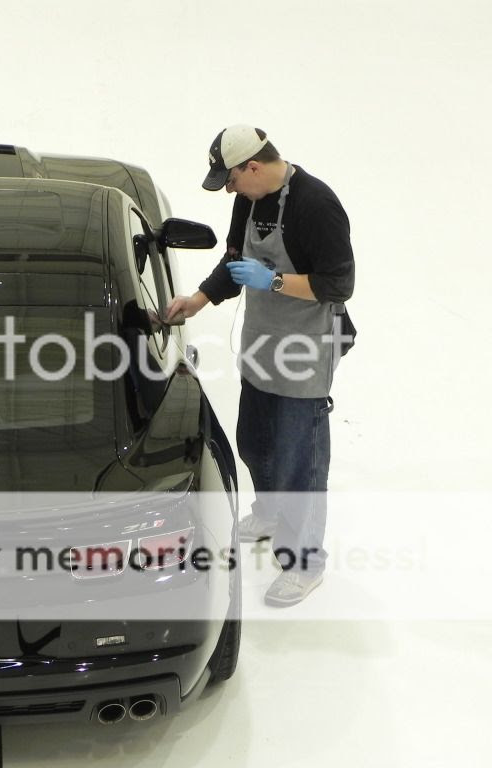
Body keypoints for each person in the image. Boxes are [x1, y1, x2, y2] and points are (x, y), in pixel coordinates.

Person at [165, 125, 355, 606]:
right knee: (255, 442)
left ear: (252, 166)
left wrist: (272, 281)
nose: (230, 191)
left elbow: (338, 285)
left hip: (305, 350)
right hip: (263, 344)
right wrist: (198, 300)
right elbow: (235, 261)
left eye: (231, 181)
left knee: (298, 462)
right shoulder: (249, 201)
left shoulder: (316, 205)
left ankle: (305, 563)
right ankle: (270, 513)